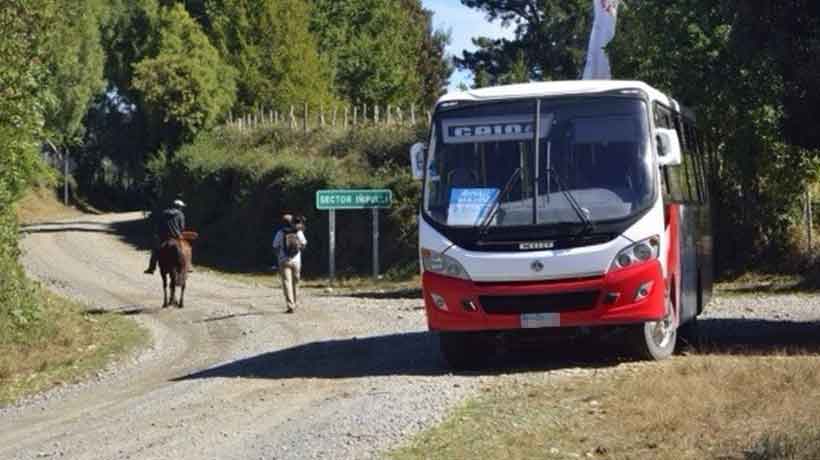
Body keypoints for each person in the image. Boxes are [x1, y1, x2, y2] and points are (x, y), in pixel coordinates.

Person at [272, 213, 307, 313]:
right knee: (296, 282)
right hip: (296, 261)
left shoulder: (280, 232)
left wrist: (279, 257)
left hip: (284, 260)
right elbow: (304, 244)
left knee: (287, 282)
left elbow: (275, 246)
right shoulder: (298, 232)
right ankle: (296, 302)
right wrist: (298, 249)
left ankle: (290, 305)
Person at [144, 199, 187, 274]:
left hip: (163, 237)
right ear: (179, 207)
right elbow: (182, 227)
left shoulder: (164, 213)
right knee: (185, 250)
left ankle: (151, 268)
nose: (182, 208)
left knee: (155, 252)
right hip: (175, 236)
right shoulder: (180, 214)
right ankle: (187, 267)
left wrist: (158, 234)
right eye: (181, 207)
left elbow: (159, 224)